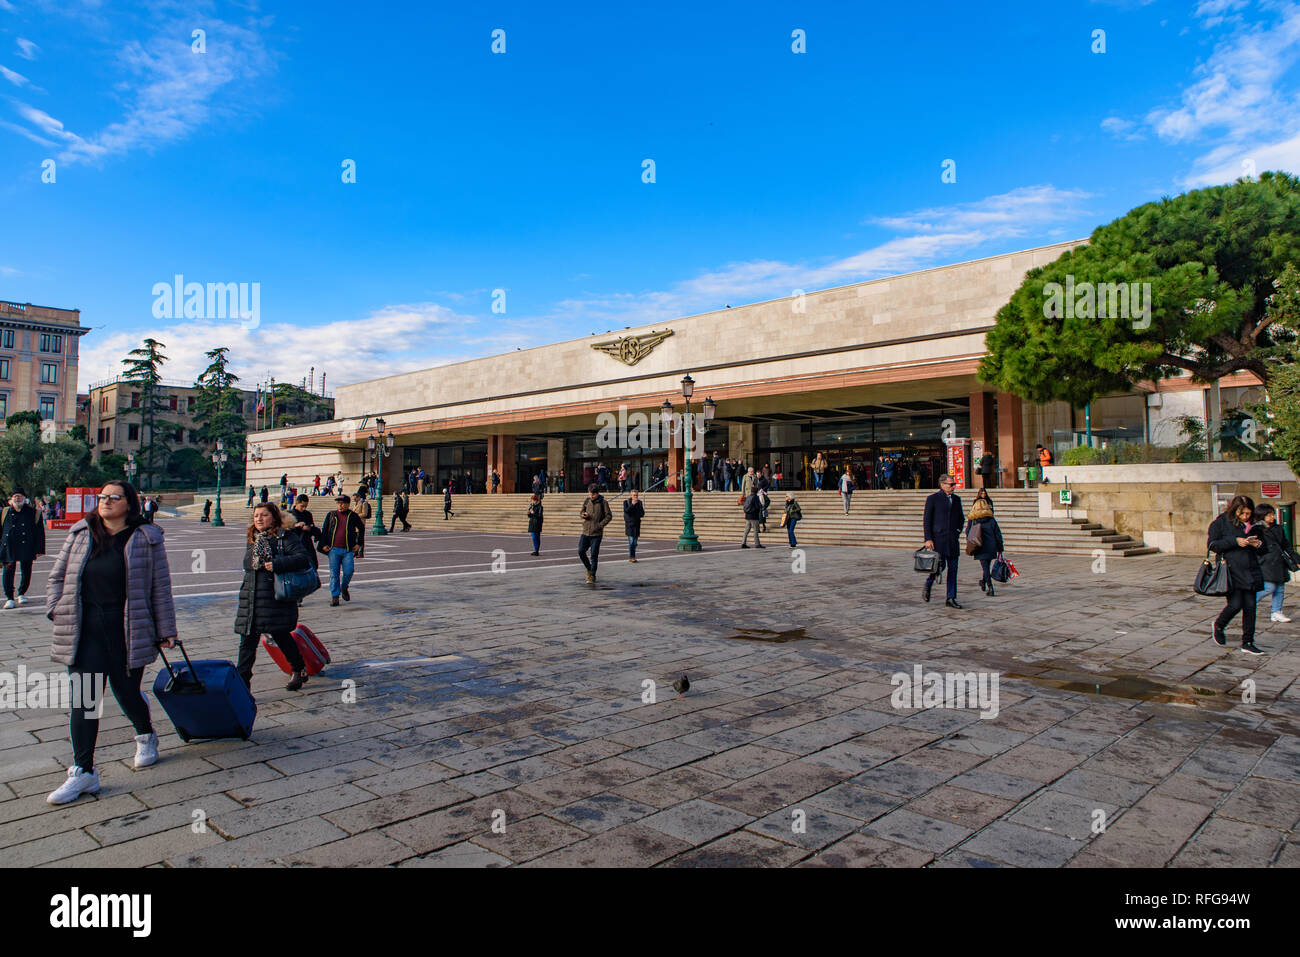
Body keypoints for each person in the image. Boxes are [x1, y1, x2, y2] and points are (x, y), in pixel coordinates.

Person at [44, 480, 177, 804]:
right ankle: (83, 771)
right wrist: (54, 608)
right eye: (102, 497)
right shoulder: (80, 533)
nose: (105, 502)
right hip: (84, 629)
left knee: (126, 692)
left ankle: (145, 735)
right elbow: (57, 576)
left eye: (113, 497)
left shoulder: (146, 538)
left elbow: (160, 587)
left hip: (127, 629)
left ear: (129, 504)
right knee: (85, 701)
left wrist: (167, 628)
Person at [236, 502, 313, 692]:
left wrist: (278, 563)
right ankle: (242, 685)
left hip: (274, 598)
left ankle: (298, 668)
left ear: (274, 517)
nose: (259, 519)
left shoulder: (285, 536)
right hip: (252, 596)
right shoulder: (253, 538)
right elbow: (249, 566)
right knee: (246, 644)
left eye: (264, 515)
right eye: (256, 516)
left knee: (281, 636)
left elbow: (303, 558)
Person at [1208, 495, 1267, 655]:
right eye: (1242, 513)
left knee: (1250, 607)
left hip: (1250, 570)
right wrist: (1235, 541)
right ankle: (1219, 625)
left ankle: (1248, 642)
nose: (1246, 517)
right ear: (1235, 510)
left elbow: (1264, 548)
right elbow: (1213, 545)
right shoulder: (1222, 522)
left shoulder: (1255, 525)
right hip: (1231, 571)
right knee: (1235, 604)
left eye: (1248, 513)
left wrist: (1257, 544)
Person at [923, 472, 963, 608]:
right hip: (938, 540)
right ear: (942, 485)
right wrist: (928, 538)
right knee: (938, 567)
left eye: (954, 484)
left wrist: (958, 531)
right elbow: (927, 520)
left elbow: (961, 518)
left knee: (953, 569)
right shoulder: (933, 499)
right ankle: (928, 584)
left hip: (952, 539)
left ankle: (951, 597)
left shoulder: (957, 499)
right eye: (951, 484)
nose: (953, 487)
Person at [1, 488, 46, 608]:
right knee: (8, 571)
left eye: (20, 496)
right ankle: (9, 597)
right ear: (11, 499)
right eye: (15, 496)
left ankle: (22, 593)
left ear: (24, 499)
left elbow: (39, 532)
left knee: (26, 570)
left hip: (27, 545)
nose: (17, 498)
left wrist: (40, 549)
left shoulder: (33, 512)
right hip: (9, 546)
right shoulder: (5, 512)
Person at [319, 494, 365, 607]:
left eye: (343, 503)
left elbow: (361, 528)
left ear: (348, 504)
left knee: (349, 571)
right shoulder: (331, 515)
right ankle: (335, 596)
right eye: (338, 503)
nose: (340, 505)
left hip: (348, 550)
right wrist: (323, 544)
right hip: (333, 549)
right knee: (334, 574)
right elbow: (324, 530)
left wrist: (359, 544)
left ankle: (344, 587)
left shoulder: (353, 516)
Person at [1254, 503, 1294, 623]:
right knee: (1269, 587)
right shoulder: (1256, 529)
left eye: (1273, 514)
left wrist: (1295, 559)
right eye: (1269, 515)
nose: (1273, 517)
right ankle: (1248, 601)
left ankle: (1277, 611)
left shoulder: (1278, 528)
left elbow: (1286, 544)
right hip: (1266, 563)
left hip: (1279, 562)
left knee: (1280, 588)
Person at [964, 495, 1004, 596]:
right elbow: (998, 534)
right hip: (991, 546)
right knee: (986, 566)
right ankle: (983, 581)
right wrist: (1000, 547)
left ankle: (990, 587)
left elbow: (968, 532)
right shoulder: (991, 520)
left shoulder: (973, 520)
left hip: (979, 546)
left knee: (985, 567)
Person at [578, 483, 612, 583]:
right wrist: (583, 515)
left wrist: (600, 525)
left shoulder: (603, 503)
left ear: (597, 493)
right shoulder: (587, 500)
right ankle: (589, 568)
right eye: (590, 494)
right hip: (585, 531)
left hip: (596, 534)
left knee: (594, 555)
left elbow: (609, 516)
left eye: (593, 494)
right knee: (580, 551)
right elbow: (581, 512)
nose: (591, 496)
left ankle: (592, 575)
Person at [289, 494, 322, 575]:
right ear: (296, 503)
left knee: (312, 564)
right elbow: (285, 529)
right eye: (302, 506)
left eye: (305, 506)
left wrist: (310, 528)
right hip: (294, 544)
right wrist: (297, 526)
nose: (303, 508)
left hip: (306, 542)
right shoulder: (289, 514)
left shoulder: (307, 514)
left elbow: (312, 526)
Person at [624, 489, 644, 562]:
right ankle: (632, 557)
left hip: (637, 525)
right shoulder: (626, 502)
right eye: (634, 495)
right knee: (631, 542)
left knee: (635, 543)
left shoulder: (640, 503)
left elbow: (642, 513)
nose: (635, 497)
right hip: (629, 525)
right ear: (631, 495)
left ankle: (632, 556)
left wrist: (637, 510)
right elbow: (626, 511)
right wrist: (632, 505)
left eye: (636, 495)